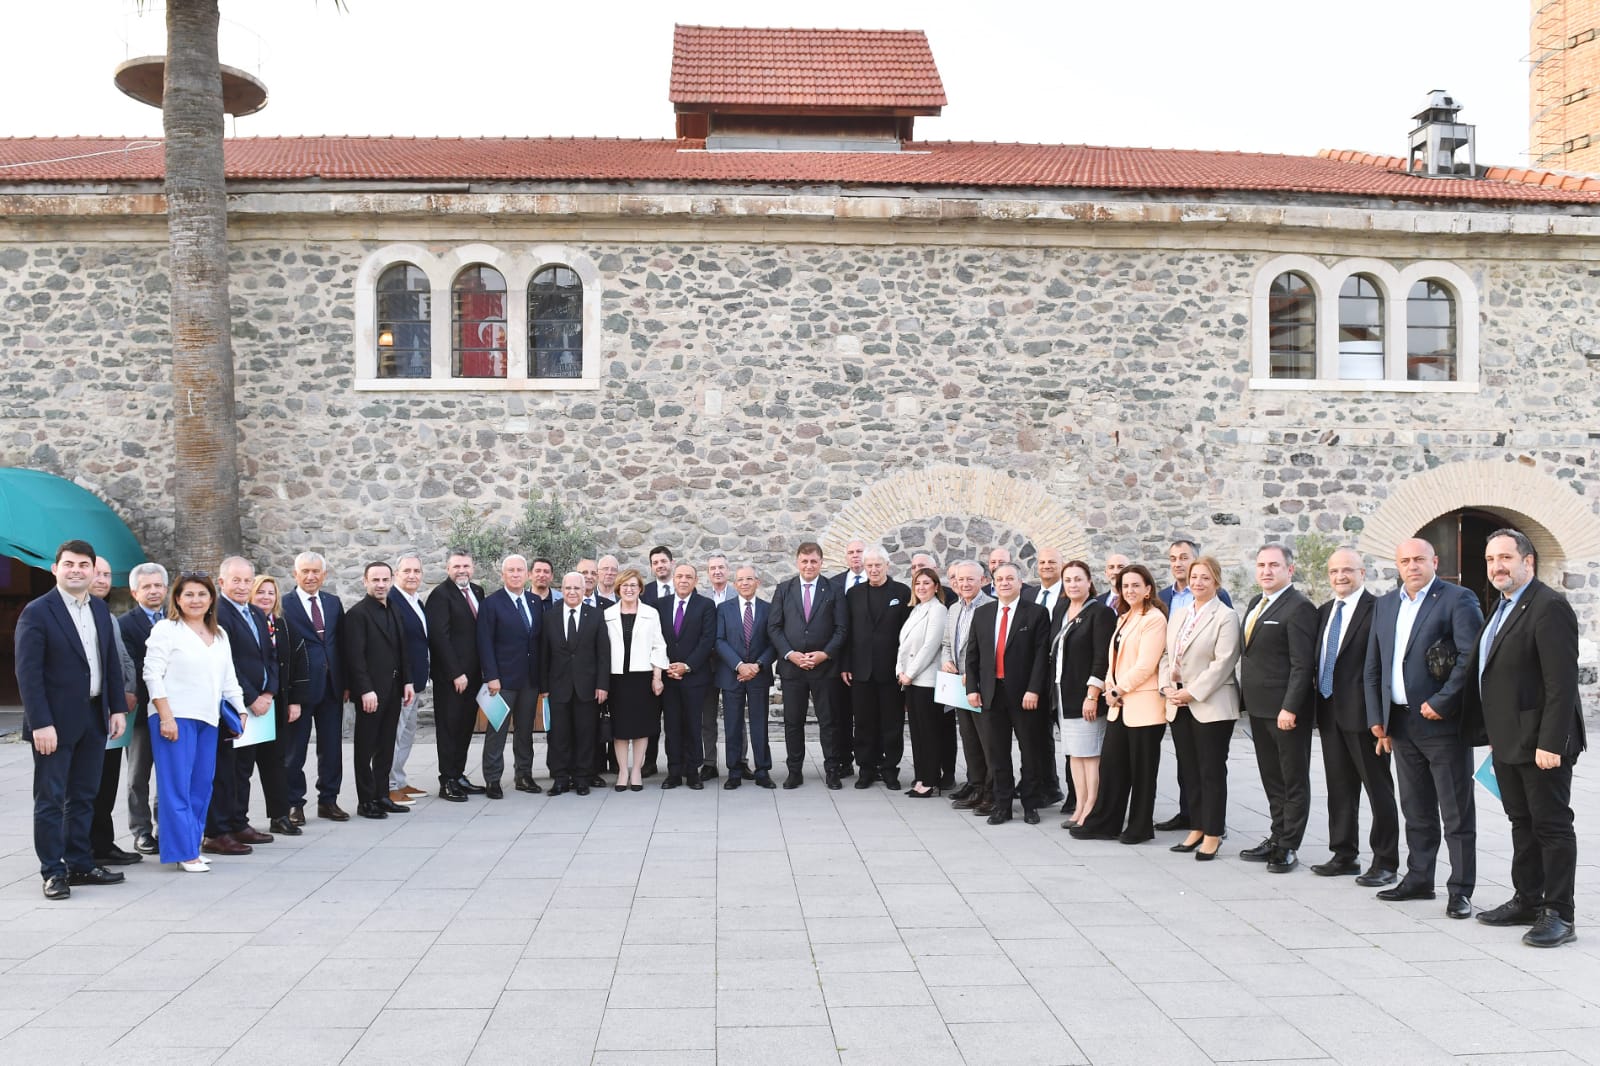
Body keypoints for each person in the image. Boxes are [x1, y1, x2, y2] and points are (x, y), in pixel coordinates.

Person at [1470, 528, 1585, 948]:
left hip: (1542, 744)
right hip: (1508, 740)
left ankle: (1559, 914)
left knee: (1552, 826)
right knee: (1522, 823)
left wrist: (1551, 744)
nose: (1497, 566)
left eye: (1505, 558)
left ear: (1528, 562)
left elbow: (1561, 684)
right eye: (1490, 559)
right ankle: (1527, 899)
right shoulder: (1501, 606)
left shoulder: (1549, 607)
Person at [1363, 537, 1483, 919]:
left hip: (1441, 723)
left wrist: (1443, 701)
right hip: (1400, 722)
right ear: (1396, 566)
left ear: (1435, 560)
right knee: (1415, 809)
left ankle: (1460, 890)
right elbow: (1373, 666)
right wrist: (1377, 718)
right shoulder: (1385, 605)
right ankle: (1418, 879)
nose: (1412, 566)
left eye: (1419, 559)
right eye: (1404, 561)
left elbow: (1470, 656)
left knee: (1455, 812)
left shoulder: (1456, 599)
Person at [15, 540, 130, 898]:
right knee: (50, 799)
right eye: (69, 564)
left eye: (84, 565)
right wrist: (40, 723)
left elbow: (109, 662)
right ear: (55, 569)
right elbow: (28, 674)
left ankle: (80, 863)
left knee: (84, 796)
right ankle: (53, 871)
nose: (76, 570)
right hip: (54, 723)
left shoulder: (98, 609)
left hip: (95, 717)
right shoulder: (37, 611)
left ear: (93, 571)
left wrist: (117, 708)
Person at [144, 572, 246, 873]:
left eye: (202, 594)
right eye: (188, 594)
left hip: (208, 718)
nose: (196, 600)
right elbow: (152, 674)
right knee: (176, 787)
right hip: (174, 718)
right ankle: (182, 851)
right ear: (177, 598)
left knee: (201, 785)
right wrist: (166, 716)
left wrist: (239, 710)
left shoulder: (220, 634)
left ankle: (193, 843)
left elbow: (229, 677)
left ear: (211, 598)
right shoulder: (167, 630)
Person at [1310, 549, 1397, 885]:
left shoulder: (1378, 610)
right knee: (1339, 788)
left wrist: (1383, 721)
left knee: (1378, 790)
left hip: (1365, 717)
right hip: (1330, 711)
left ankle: (1386, 861)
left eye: (1347, 570)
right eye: (1334, 571)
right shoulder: (1325, 611)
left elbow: (1383, 665)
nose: (1340, 577)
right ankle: (1344, 854)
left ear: (1363, 572)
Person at [1238, 544, 1319, 874]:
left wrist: (1290, 707)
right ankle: (1276, 835)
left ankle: (1289, 845)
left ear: (1290, 569)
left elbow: (1302, 665)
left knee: (1293, 779)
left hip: (1285, 712)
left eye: (1274, 565)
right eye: (1261, 565)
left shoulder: (1299, 608)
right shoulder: (1257, 603)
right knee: (1272, 777)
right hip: (1259, 709)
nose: (1266, 571)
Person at [1158, 556, 1240, 860]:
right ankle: (1196, 826)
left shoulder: (1225, 616)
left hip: (1210, 703)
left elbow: (1224, 662)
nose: (1197, 582)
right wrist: (1167, 686)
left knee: (1211, 771)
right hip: (1177, 702)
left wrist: (1191, 692)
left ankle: (1213, 832)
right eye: (1194, 577)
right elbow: (1167, 654)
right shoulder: (1179, 614)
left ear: (1216, 581)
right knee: (1188, 770)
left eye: (1205, 577)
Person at [964, 562, 1051, 824]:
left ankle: (1030, 804)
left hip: (1024, 695)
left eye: (1010, 578)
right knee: (997, 752)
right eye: (999, 579)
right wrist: (972, 689)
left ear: (1020, 583)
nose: (1004, 583)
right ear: (993, 583)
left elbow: (1040, 656)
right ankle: (1002, 805)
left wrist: (1034, 689)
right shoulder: (983, 613)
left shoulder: (1036, 613)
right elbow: (972, 654)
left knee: (1030, 751)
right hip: (992, 693)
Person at [208, 556, 281, 853]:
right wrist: (251, 697)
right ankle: (219, 829)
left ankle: (239, 822)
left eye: (246, 581)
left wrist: (269, 693)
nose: (242, 586)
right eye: (235, 580)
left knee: (244, 769)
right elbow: (230, 663)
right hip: (233, 705)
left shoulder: (256, 612)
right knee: (225, 770)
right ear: (222, 582)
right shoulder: (218, 613)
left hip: (260, 704)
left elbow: (270, 658)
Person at [1092, 566, 1169, 844]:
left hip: (1143, 705)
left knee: (1143, 771)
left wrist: (1117, 688)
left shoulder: (1154, 619)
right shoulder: (1124, 618)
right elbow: (1113, 659)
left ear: (1148, 589)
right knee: (1112, 766)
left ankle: (1139, 827)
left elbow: (1146, 665)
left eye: (1136, 585)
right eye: (1125, 586)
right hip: (1119, 704)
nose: (1130, 590)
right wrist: (1110, 686)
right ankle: (1104, 822)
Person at [768, 541, 848, 789]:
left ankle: (832, 770)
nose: (809, 565)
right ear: (797, 562)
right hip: (793, 669)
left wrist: (825, 654)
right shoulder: (784, 589)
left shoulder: (833, 590)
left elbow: (842, 628)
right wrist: (790, 654)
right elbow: (774, 627)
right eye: (804, 561)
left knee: (828, 721)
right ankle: (795, 771)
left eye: (814, 561)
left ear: (821, 562)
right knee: (793, 721)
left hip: (824, 668)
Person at [280, 551, 347, 824]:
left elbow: (340, 644)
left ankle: (328, 800)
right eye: (305, 572)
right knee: (294, 750)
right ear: (295, 574)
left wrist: (347, 683)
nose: (310, 576)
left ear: (324, 575)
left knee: (332, 748)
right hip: (300, 689)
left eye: (315, 572)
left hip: (332, 687)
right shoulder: (284, 605)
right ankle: (294, 803)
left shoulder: (333, 603)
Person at [344, 561, 414, 819]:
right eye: (376, 580)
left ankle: (382, 795)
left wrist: (407, 681)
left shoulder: (394, 608)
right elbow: (355, 657)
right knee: (365, 748)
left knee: (386, 745)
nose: (381, 584)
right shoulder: (357, 614)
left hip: (394, 689)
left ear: (392, 580)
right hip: (371, 694)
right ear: (365, 581)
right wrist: (365, 690)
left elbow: (402, 649)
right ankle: (366, 801)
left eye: (385, 580)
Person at [1051, 560, 1115, 829]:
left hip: (1086, 695)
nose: (1073, 584)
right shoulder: (1062, 609)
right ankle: (1079, 804)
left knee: (1091, 755)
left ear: (1089, 582)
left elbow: (1102, 657)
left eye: (1078, 579)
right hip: (1063, 696)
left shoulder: (1100, 613)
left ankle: (1092, 807)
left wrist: (1093, 693)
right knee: (1075, 755)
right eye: (1068, 580)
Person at [842, 548, 911, 790]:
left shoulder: (901, 592)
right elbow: (847, 632)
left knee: (891, 723)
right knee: (863, 722)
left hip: (891, 671)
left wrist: (905, 669)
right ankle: (866, 769)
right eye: (869, 565)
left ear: (887, 566)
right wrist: (846, 664)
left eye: (877, 565)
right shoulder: (853, 594)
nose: (873, 569)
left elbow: (907, 635)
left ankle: (890, 769)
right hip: (861, 671)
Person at [88, 556, 140, 868]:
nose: (102, 580)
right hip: (92, 715)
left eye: (107, 574)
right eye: (97, 573)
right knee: (88, 787)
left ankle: (103, 844)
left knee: (107, 783)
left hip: (114, 715)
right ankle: (85, 849)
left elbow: (121, 660)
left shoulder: (106, 614)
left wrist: (128, 692)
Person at [477, 554, 544, 798]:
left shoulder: (535, 602)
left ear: (527, 575)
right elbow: (485, 643)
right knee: (497, 730)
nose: (516, 574)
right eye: (511, 570)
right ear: (503, 575)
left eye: (520, 570)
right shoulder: (491, 603)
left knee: (525, 730)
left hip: (529, 680)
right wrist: (491, 676)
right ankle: (493, 779)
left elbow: (538, 642)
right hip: (502, 681)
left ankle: (523, 775)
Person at [426, 549, 488, 801]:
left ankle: (459, 774)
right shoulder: (440, 596)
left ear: (472, 568)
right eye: (457, 567)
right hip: (452, 678)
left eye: (466, 566)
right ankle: (447, 781)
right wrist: (456, 673)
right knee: (449, 728)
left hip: (474, 675)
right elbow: (440, 638)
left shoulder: (478, 591)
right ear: (447, 569)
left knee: (464, 728)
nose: (462, 571)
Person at [543, 572, 610, 795]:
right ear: (562, 590)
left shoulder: (596, 616)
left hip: (587, 687)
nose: (572, 592)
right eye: (568, 588)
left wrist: (602, 685)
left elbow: (603, 654)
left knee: (585, 733)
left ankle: (582, 777)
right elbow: (545, 653)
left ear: (585, 591)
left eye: (577, 589)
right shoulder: (550, 617)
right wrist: (544, 686)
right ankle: (561, 777)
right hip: (558, 686)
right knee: (559, 734)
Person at [250, 574, 306, 836]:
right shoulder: (244, 623)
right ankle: (239, 819)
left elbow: (297, 663)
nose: (265, 597)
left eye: (271, 593)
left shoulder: (283, 626)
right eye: (260, 592)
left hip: (278, 702)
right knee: (243, 766)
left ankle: (280, 815)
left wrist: (294, 700)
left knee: (276, 762)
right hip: (248, 705)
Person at [119, 562, 168, 855]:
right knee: (138, 774)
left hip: (172, 710)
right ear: (135, 591)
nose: (153, 591)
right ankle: (141, 830)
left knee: (168, 771)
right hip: (141, 710)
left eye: (158, 585)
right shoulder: (125, 624)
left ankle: (166, 827)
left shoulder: (177, 620)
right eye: (147, 586)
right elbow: (131, 666)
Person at [604, 568, 667, 790]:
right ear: (618, 588)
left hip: (643, 678)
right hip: (616, 678)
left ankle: (637, 770)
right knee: (620, 729)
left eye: (633, 585)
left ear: (640, 589)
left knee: (641, 726)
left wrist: (657, 676)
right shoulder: (608, 614)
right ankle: (623, 771)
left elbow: (659, 646)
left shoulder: (651, 613)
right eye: (625, 585)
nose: (629, 589)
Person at [715, 565, 775, 789]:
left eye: (750, 579)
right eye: (740, 580)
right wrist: (739, 666)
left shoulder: (768, 609)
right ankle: (734, 771)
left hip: (758, 676)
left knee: (760, 724)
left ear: (757, 582)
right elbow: (719, 640)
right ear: (734, 583)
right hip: (732, 675)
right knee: (732, 724)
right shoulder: (723, 609)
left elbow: (773, 642)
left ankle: (762, 770)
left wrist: (757, 666)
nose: (745, 583)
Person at [943, 561, 994, 814]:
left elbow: (991, 650)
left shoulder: (990, 608)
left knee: (988, 740)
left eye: (970, 579)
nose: (964, 584)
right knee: (969, 738)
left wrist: (972, 675)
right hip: (957, 684)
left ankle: (990, 790)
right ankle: (975, 785)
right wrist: (947, 660)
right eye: (960, 580)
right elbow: (946, 642)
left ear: (983, 580)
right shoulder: (953, 609)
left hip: (980, 686)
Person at [659, 562, 715, 790]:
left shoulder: (706, 605)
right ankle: (674, 771)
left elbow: (707, 640)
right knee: (671, 725)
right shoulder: (659, 605)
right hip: (668, 676)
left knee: (693, 723)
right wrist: (667, 666)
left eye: (688, 577)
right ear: (674, 579)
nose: (683, 580)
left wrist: (687, 665)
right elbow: (656, 639)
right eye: (679, 576)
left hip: (694, 677)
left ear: (695, 581)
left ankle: (693, 771)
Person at [896, 566, 950, 797]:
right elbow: (903, 645)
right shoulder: (917, 609)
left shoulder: (938, 610)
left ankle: (930, 780)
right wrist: (900, 670)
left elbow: (930, 646)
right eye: (918, 584)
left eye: (927, 583)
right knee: (917, 732)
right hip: (910, 679)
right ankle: (921, 777)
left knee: (929, 732)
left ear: (936, 586)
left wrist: (910, 673)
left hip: (926, 680)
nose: (922, 587)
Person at [389, 554, 431, 807]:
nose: (413, 575)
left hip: (416, 681)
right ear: (397, 574)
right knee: (395, 734)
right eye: (407, 571)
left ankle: (400, 780)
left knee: (407, 734)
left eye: (417, 571)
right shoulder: (393, 601)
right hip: (400, 683)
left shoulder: (416, 601)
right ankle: (389, 785)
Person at [698, 553, 735, 782]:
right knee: (707, 717)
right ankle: (709, 762)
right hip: (707, 666)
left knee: (735, 717)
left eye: (721, 567)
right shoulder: (701, 598)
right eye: (713, 568)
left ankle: (739, 761)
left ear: (727, 570)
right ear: (708, 573)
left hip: (732, 666)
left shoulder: (738, 593)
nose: (717, 571)